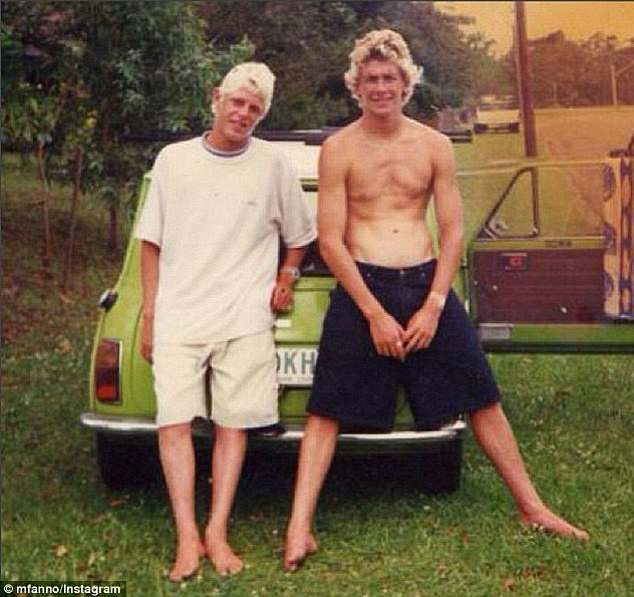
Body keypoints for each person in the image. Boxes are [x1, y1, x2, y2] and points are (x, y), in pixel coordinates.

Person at [284, 29, 589, 571]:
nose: (381, 87)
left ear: (407, 84)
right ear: (357, 87)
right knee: (325, 409)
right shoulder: (340, 149)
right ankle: (299, 528)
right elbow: (330, 240)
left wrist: (433, 303)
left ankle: (533, 507)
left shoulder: (434, 145)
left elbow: (452, 232)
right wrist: (374, 313)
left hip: (426, 283)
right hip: (363, 288)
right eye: (371, 79)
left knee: (482, 398)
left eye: (390, 79)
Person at [135, 62, 316, 579]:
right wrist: (151, 313)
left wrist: (286, 274)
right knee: (173, 423)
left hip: (243, 316)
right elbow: (151, 242)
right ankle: (186, 538)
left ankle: (216, 530)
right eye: (237, 102)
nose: (244, 113)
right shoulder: (173, 160)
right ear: (216, 98)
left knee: (232, 426)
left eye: (255, 108)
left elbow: (300, 236)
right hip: (179, 314)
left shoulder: (274, 165)